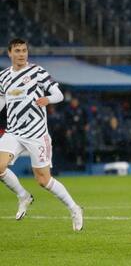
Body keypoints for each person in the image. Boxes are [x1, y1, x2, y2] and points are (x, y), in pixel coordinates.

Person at [0, 38, 83, 231]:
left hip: (36, 133)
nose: (22, 54)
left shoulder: (37, 72)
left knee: (43, 180)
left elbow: (59, 95)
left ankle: (74, 208)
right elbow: (2, 100)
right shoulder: (3, 77)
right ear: (9, 53)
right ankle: (23, 195)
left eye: (24, 50)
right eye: (18, 51)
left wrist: (47, 99)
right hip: (13, 131)